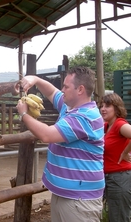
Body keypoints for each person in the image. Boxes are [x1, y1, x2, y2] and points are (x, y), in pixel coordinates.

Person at [16, 66, 105, 222]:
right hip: (66, 195)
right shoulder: (69, 107)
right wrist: (35, 79)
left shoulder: (84, 117)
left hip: (78, 200)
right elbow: (51, 92)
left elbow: (47, 135)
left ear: (80, 90)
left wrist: (24, 114)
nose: (62, 90)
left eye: (66, 86)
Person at [99, 92, 131, 222]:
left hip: (119, 178)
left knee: (119, 218)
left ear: (117, 108)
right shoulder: (106, 126)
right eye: (101, 106)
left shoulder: (120, 124)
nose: (103, 109)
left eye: (107, 106)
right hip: (108, 178)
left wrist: (125, 152)